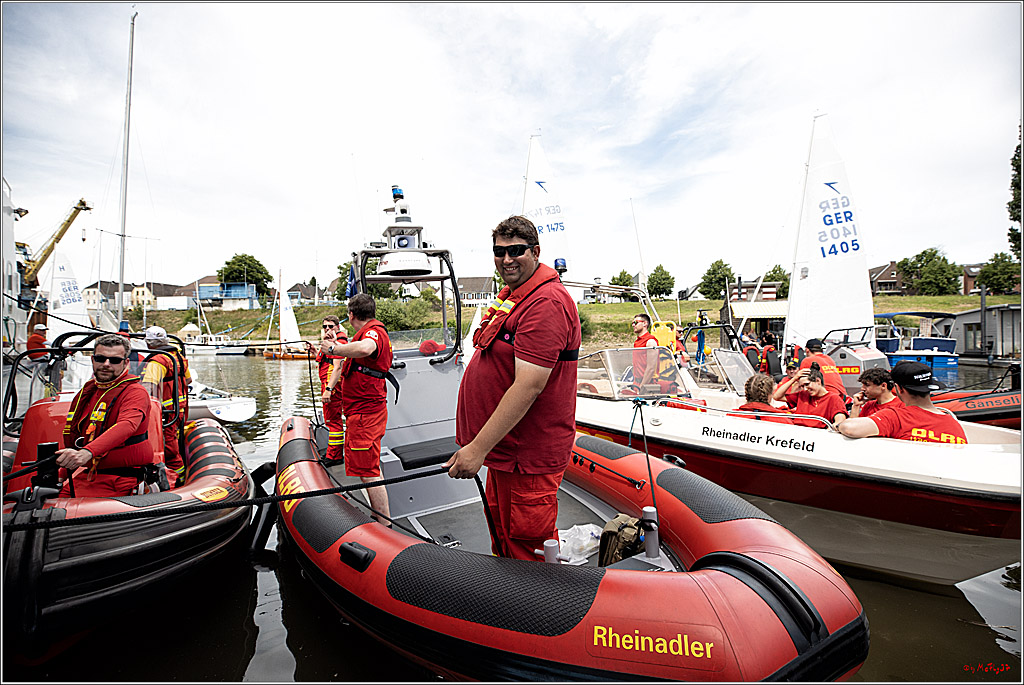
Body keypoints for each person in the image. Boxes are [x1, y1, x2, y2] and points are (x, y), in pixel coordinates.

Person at [447, 215, 581, 561]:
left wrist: (476, 449)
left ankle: (539, 612)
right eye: (499, 252)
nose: (506, 259)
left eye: (516, 251)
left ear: (535, 252)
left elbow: (529, 385)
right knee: (504, 538)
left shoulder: (545, 303)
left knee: (527, 547)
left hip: (527, 457)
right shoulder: (516, 295)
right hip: (506, 454)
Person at [319, 294, 393, 524]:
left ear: (351, 315)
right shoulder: (368, 332)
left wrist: (333, 348)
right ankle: (379, 515)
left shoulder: (373, 333)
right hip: (361, 413)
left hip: (366, 416)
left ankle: (384, 521)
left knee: (368, 470)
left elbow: (365, 348)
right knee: (366, 467)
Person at [55, 333, 156, 497]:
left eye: (115, 360)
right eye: (101, 358)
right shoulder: (88, 392)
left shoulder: (135, 392)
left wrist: (87, 452)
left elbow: (127, 425)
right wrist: (61, 475)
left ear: (126, 363)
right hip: (90, 474)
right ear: (93, 360)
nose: (106, 364)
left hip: (120, 479)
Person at [838, 361, 967, 443]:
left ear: (899, 388)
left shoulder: (895, 416)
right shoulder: (953, 423)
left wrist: (838, 425)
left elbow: (849, 428)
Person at [140, 326, 190, 486]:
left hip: (164, 413)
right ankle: (180, 478)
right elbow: (188, 380)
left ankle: (177, 482)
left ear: (148, 343)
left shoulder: (157, 362)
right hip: (178, 409)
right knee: (173, 445)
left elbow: (148, 388)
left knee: (169, 450)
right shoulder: (177, 356)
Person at [306, 315, 348, 463]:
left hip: (333, 388)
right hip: (329, 385)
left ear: (337, 327)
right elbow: (326, 360)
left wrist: (328, 390)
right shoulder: (329, 343)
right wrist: (314, 351)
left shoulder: (338, 343)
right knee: (332, 420)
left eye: (331, 326)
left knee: (333, 421)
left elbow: (337, 367)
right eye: (325, 327)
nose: (327, 329)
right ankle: (334, 454)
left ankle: (335, 456)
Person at [773, 362, 848, 428]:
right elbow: (777, 396)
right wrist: (794, 379)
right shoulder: (802, 395)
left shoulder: (834, 398)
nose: (805, 389)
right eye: (802, 386)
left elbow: (840, 421)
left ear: (818, 381)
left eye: (807, 384)